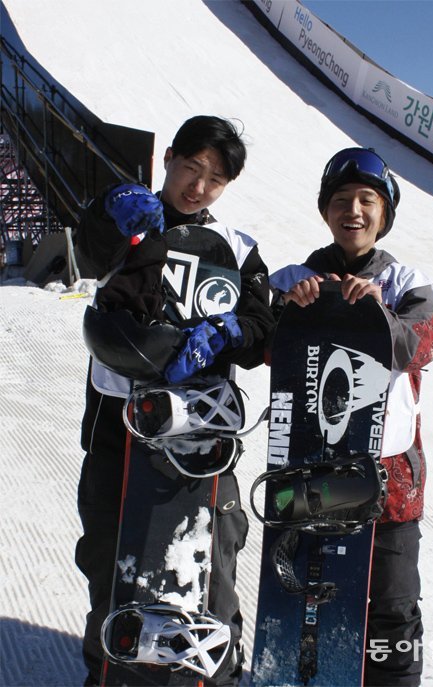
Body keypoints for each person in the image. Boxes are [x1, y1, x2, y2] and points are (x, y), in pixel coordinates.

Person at [75, 115, 275, 687]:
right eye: (191, 168)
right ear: (168, 158)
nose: (199, 187)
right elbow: (88, 252)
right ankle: (109, 670)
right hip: (120, 424)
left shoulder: (237, 247)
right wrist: (108, 207)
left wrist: (231, 330)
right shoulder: (131, 220)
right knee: (111, 558)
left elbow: (263, 328)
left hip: (201, 431)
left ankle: (213, 673)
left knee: (211, 559)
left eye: (215, 179)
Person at [270, 147, 433, 686]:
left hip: (391, 482)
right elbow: (261, 347)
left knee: (392, 606)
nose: (354, 211)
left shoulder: (406, 282)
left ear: (385, 212)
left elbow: (422, 346)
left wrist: (375, 312)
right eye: (341, 200)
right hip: (309, 473)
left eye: (368, 200)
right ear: (325, 210)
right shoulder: (293, 278)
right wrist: (288, 308)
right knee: (309, 600)